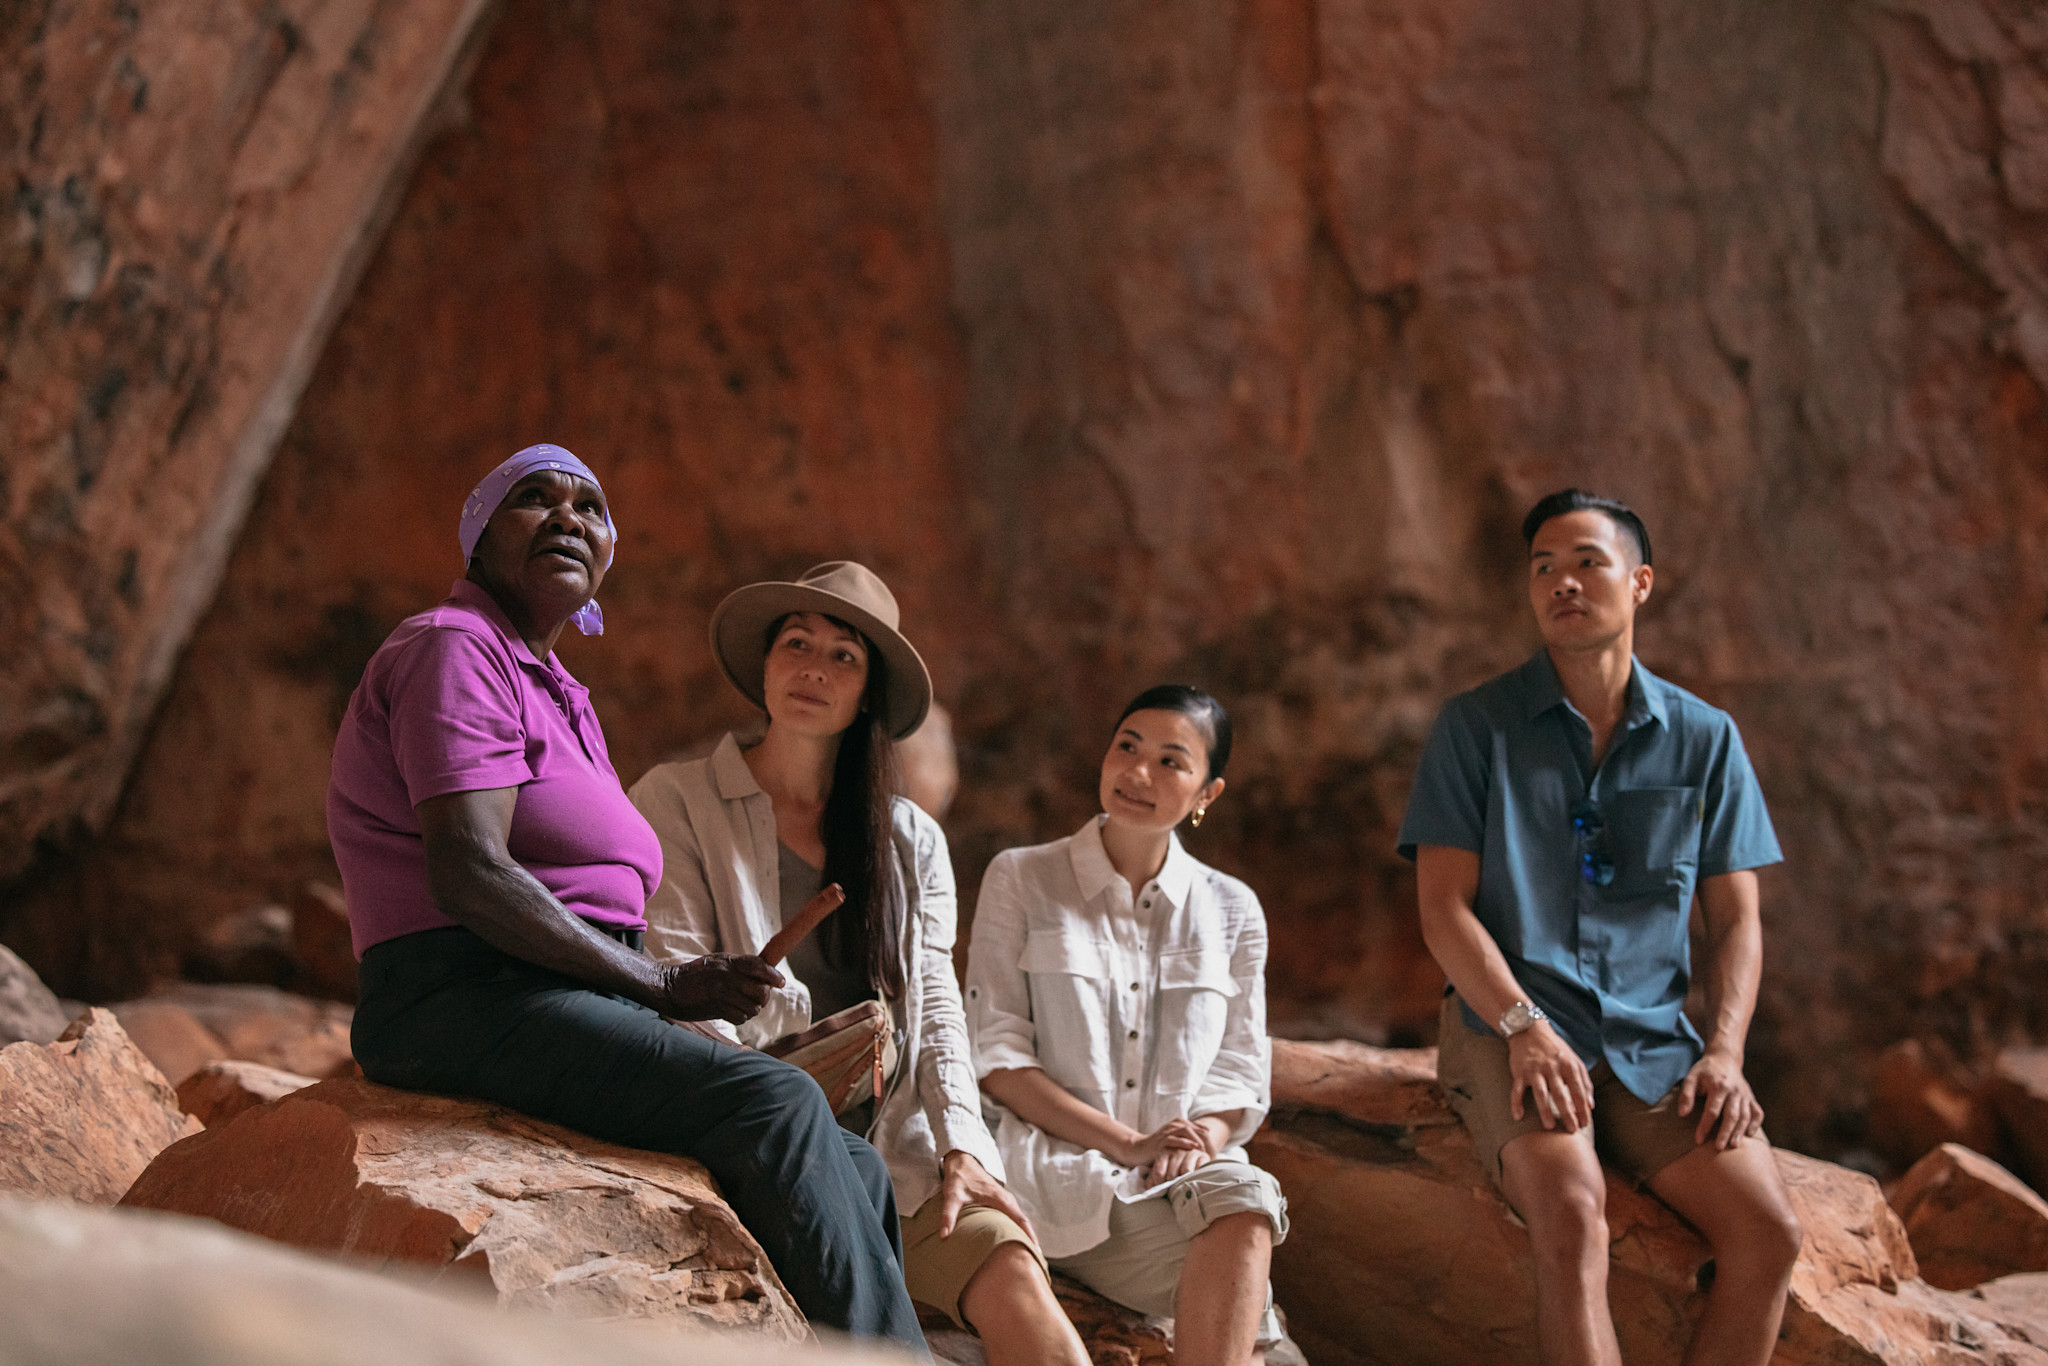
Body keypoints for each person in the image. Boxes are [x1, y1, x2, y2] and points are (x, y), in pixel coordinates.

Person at [327, 447, 926, 1352]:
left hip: (552, 993)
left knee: (856, 1164)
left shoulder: (557, 688)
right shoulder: (454, 647)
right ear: (480, 537)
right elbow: (470, 871)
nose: (568, 518)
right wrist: (660, 985)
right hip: (463, 995)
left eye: (591, 508)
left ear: (608, 553)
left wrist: (661, 988)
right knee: (776, 1105)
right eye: (535, 498)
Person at [628, 562, 1087, 1366]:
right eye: (796, 644)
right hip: (757, 1141)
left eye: (843, 656)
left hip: (897, 1152)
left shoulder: (909, 838)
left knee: (1023, 1291)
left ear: (869, 693)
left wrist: (963, 1147)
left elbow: (936, 1007)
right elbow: (679, 989)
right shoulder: (677, 800)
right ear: (764, 666)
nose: (813, 668)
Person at [1399, 489, 1803, 1366]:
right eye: (1544, 568)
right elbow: (1444, 909)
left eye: (1588, 562)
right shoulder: (1476, 727)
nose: (1564, 584)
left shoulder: (1706, 738)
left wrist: (1724, 1054)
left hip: (1652, 1040)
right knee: (1574, 1213)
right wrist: (1523, 1028)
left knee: (1768, 1233)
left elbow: (1736, 920)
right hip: (1508, 1024)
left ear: (1641, 582)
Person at [967, 686, 1287, 1366]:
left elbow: (1239, 1069)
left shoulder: (1233, 908)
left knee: (1244, 1194)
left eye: (1171, 761)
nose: (1139, 772)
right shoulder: (1022, 877)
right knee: (1250, 1269)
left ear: (1208, 793)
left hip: (1184, 1190)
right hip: (1057, 1181)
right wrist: (1131, 1144)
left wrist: (1196, 1142)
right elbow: (996, 1055)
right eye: (1128, 747)